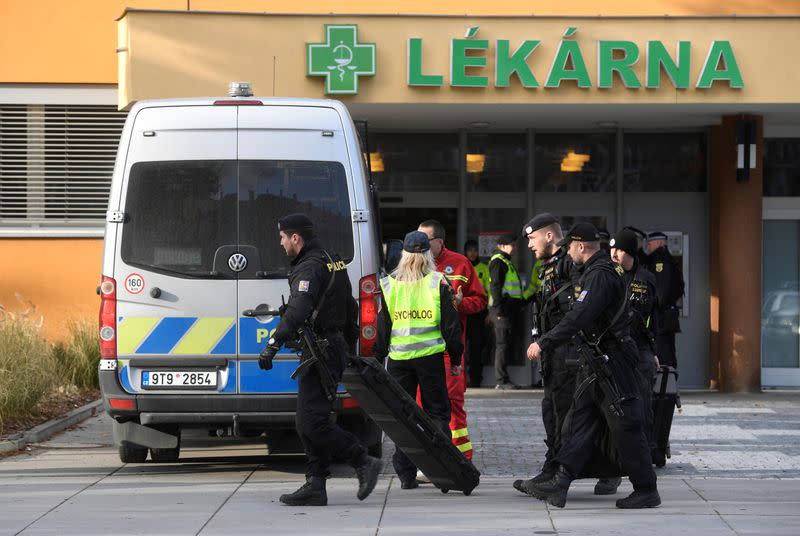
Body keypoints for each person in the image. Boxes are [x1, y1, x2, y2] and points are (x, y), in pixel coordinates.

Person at [526, 222, 660, 509]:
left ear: (581, 246)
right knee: (579, 422)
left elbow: (580, 315)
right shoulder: (595, 272)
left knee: (626, 426)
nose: (568, 253)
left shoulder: (600, 276)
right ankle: (560, 482)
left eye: (570, 248)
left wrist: (544, 342)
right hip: (598, 361)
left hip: (614, 362)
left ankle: (647, 489)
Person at [262, 213, 381, 507]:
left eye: (282, 238)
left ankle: (362, 460)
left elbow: (298, 310)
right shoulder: (332, 260)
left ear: (295, 238)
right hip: (330, 348)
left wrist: (273, 344)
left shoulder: (310, 267)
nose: (281, 244)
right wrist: (349, 346)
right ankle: (315, 484)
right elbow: (350, 305)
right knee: (307, 422)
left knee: (312, 423)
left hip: (322, 351)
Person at [514, 214, 620, 498]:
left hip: (570, 351)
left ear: (549, 236)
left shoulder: (570, 263)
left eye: (532, 239)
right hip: (554, 350)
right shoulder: (548, 265)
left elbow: (580, 308)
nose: (529, 246)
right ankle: (552, 469)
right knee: (553, 411)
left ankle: (566, 473)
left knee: (569, 416)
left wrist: (552, 341)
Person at [374, 231, 464, 489]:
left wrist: (378, 359)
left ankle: (405, 474)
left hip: (399, 360)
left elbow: (383, 328)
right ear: (427, 254)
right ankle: (444, 472)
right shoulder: (438, 282)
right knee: (437, 413)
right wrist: (456, 358)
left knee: (404, 417)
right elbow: (451, 328)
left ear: (403, 254)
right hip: (430, 359)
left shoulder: (389, 283)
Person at [418, 220, 486, 462]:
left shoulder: (460, 264)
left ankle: (460, 460)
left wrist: (460, 303)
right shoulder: (413, 264)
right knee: (421, 407)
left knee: (453, 406)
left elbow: (480, 300)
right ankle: (430, 462)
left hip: (449, 350)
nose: (419, 246)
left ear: (439, 242)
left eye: (425, 241)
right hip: (418, 350)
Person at [610, 229, 660, 456]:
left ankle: (646, 450)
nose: (613, 253)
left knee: (643, 400)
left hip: (639, 348)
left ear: (629, 251)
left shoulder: (646, 278)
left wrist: (654, 352)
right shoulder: (610, 274)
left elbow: (653, 319)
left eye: (618, 249)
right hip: (614, 346)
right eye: (611, 248)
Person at [643, 231, 685, 368]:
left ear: (660, 243)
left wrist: (653, 310)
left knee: (663, 353)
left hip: (662, 318)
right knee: (667, 351)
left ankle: (665, 386)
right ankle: (667, 385)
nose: (647, 246)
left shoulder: (661, 261)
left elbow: (661, 292)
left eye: (650, 243)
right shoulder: (668, 260)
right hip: (667, 316)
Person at [489, 234, 524, 389]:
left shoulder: (505, 261)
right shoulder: (498, 262)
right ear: (503, 246)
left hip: (507, 310)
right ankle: (501, 381)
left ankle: (503, 380)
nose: (515, 248)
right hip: (502, 311)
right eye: (512, 245)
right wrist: (498, 310)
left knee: (505, 344)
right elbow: (495, 287)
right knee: (502, 344)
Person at [464, 239, 491, 389]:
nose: (473, 253)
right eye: (470, 250)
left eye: (475, 250)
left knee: (476, 348)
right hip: (463, 312)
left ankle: (475, 380)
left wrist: (489, 312)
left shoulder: (484, 268)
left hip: (479, 313)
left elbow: (489, 291)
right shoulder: (462, 266)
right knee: (460, 347)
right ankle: (461, 379)